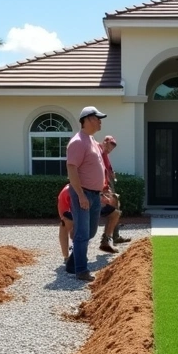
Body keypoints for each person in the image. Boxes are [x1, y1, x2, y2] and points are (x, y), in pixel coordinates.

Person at [65, 106, 108, 281]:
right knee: (82, 233)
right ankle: (81, 270)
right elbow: (71, 169)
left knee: (90, 232)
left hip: (94, 194)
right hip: (83, 194)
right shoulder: (78, 142)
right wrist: (81, 195)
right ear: (88, 119)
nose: (100, 121)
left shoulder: (91, 140)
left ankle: (72, 263)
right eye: (97, 118)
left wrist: (102, 189)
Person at [97, 136, 131, 252]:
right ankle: (109, 238)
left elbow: (107, 169)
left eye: (112, 148)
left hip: (108, 184)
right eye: (109, 147)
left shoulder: (105, 154)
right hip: (103, 187)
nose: (109, 150)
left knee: (115, 209)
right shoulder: (99, 152)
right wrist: (104, 190)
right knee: (113, 211)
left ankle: (113, 237)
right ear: (105, 142)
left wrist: (112, 173)